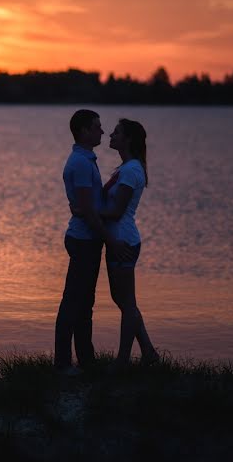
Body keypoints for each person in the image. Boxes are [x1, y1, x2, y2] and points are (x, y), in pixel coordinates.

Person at [55, 110, 130, 373]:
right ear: (84, 131)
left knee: (85, 301)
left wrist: (112, 183)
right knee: (73, 302)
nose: (102, 131)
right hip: (83, 240)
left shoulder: (86, 160)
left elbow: (88, 202)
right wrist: (111, 240)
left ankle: (86, 360)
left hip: (87, 239)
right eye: (97, 127)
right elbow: (88, 211)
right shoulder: (81, 163)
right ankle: (63, 364)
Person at [99, 118, 159, 367]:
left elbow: (116, 211)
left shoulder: (132, 170)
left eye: (117, 132)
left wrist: (85, 211)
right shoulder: (125, 168)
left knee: (127, 303)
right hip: (117, 239)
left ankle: (123, 360)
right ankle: (149, 353)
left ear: (128, 140)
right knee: (122, 300)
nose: (111, 135)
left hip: (123, 241)